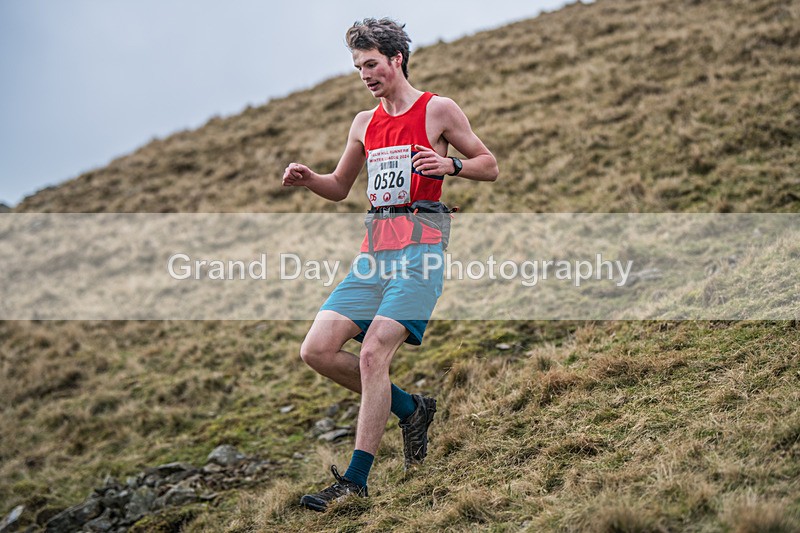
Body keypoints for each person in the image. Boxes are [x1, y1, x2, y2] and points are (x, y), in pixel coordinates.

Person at [282, 17, 498, 512]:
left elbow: (490, 164)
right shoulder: (364, 122)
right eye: (359, 67)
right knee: (316, 350)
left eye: (372, 64)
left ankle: (355, 481)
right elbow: (339, 186)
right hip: (373, 254)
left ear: (396, 59)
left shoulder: (437, 109)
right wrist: (309, 177)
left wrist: (452, 166)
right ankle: (411, 408)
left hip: (420, 251)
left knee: (373, 353)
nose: (365, 74)